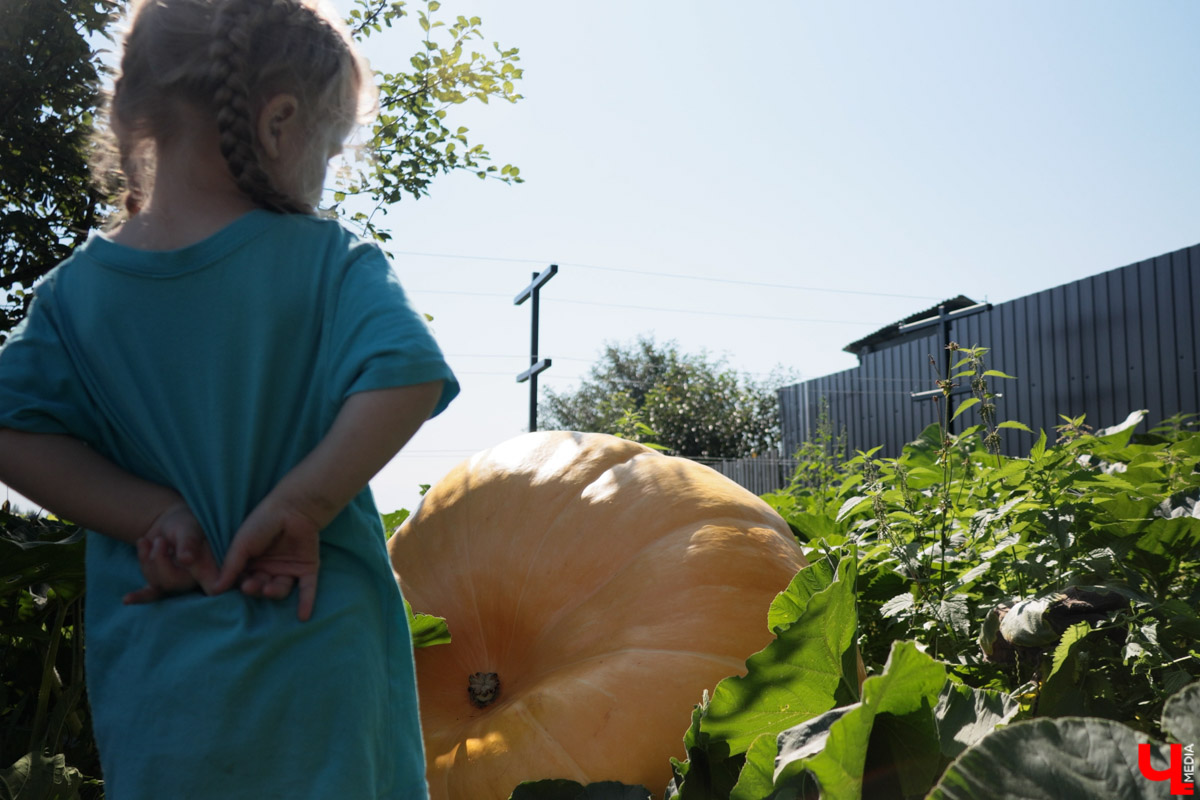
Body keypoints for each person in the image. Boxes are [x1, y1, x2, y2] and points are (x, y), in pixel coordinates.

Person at [0, 0, 458, 796]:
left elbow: (10, 430)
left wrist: (151, 513)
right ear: (281, 123)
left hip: (165, 692)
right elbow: (405, 375)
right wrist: (302, 504)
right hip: (321, 665)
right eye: (331, 147)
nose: (325, 173)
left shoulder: (74, 298)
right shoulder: (331, 262)